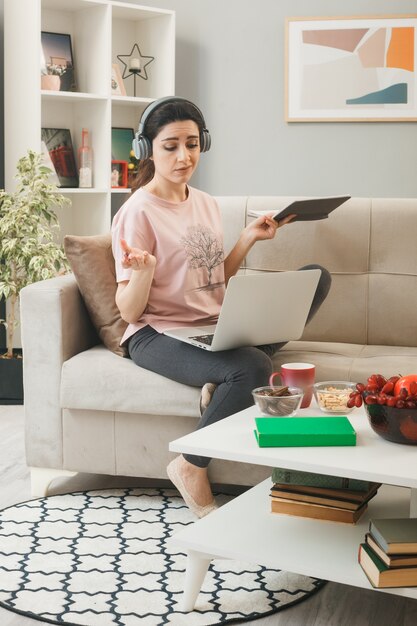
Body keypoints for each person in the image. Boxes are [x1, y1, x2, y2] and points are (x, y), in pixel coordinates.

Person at [111, 96, 331, 518]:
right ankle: (190, 464)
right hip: (156, 333)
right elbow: (128, 312)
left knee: (316, 277)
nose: (183, 156)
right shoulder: (136, 212)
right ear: (147, 149)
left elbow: (211, 277)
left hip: (212, 323)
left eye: (192, 144)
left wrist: (247, 240)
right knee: (249, 365)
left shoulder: (207, 202)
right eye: (170, 145)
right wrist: (143, 272)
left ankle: (220, 378)